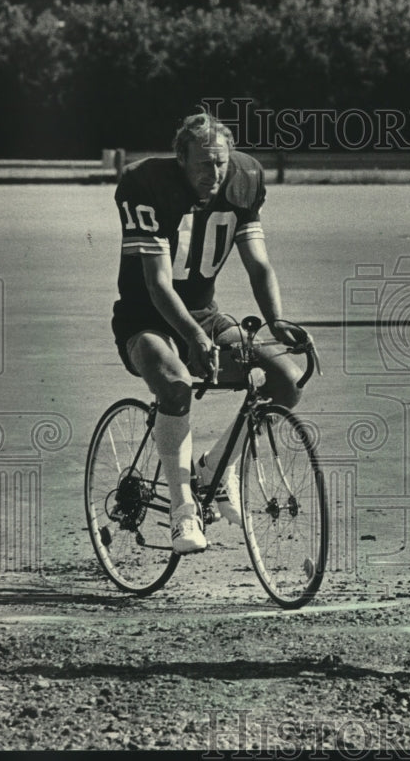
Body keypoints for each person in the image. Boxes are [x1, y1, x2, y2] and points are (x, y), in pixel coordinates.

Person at [111, 111, 306, 555]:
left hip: (204, 315)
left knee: (285, 380)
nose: (214, 173)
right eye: (203, 164)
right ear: (180, 159)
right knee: (176, 385)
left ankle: (216, 468)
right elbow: (158, 284)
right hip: (146, 319)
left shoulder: (244, 181)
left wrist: (276, 320)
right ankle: (183, 514)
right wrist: (195, 340)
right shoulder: (148, 185)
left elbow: (258, 263)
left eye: (221, 162)